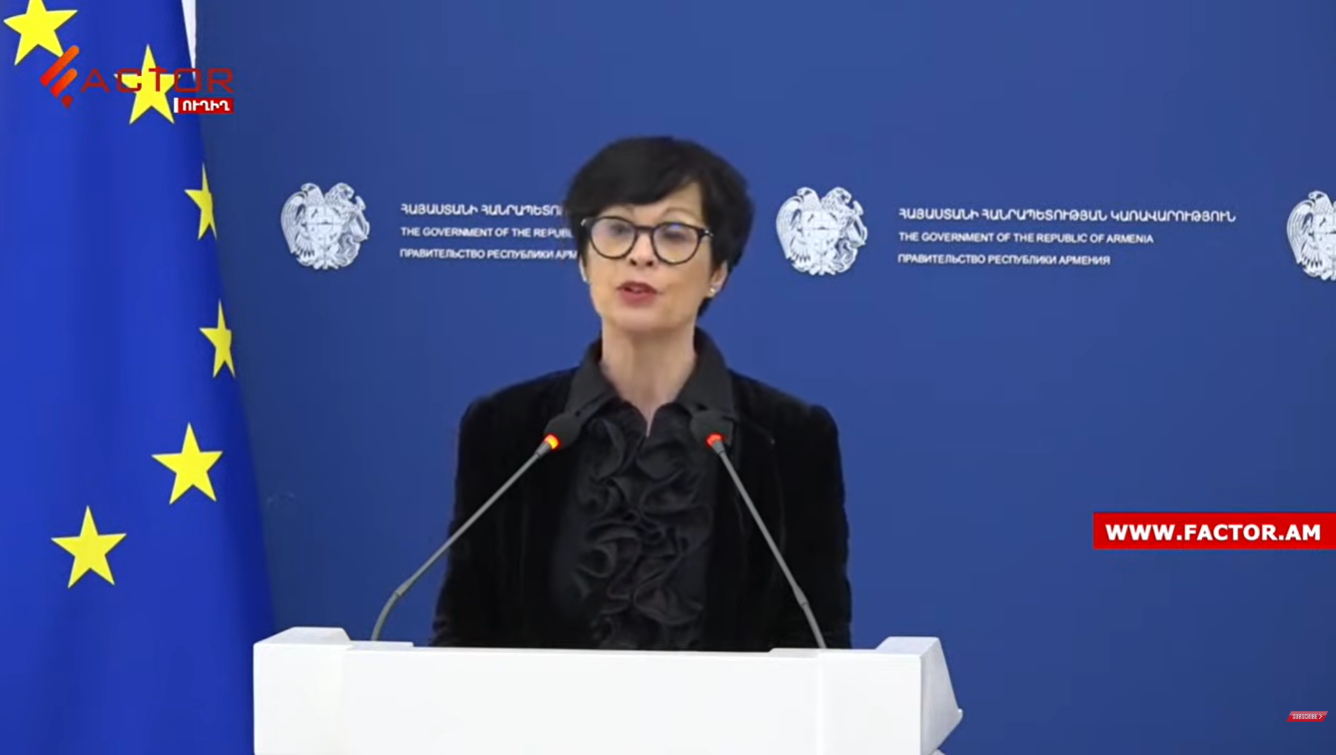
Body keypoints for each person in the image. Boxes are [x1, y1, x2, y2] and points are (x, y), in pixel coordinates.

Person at [429, 136, 852, 651]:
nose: (641, 254)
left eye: (673, 234)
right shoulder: (507, 427)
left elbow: (815, 641)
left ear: (717, 273)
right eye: (617, 229)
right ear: (584, 261)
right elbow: (466, 634)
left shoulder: (789, 436)